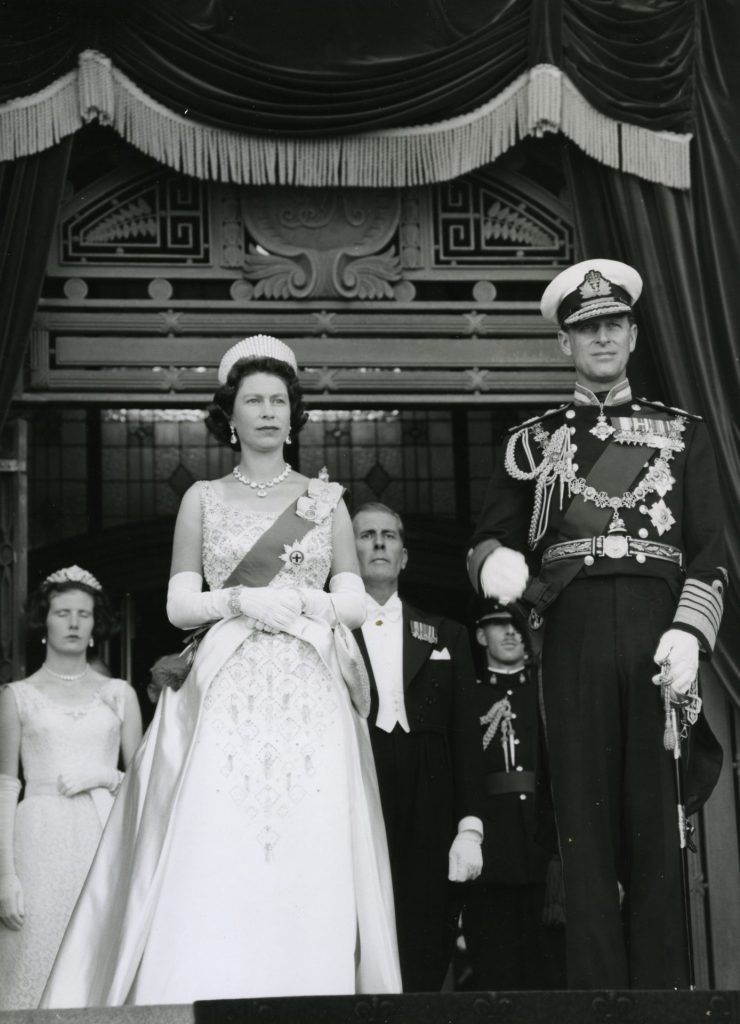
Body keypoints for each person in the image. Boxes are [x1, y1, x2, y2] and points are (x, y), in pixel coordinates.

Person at [41, 335, 401, 1007]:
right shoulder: (203, 498)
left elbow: (354, 602)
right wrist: (239, 598)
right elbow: (179, 604)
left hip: (307, 690)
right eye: (252, 401)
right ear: (228, 416)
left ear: (293, 416)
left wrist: (300, 600)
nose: (267, 412)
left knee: (308, 839)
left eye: (278, 401)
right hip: (227, 688)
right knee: (216, 836)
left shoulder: (325, 502)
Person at [467, 259, 725, 989]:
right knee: (582, 826)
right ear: (564, 345)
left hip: (655, 632)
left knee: (657, 829)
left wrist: (690, 632)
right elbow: (489, 536)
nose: (601, 337)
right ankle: (600, 1001)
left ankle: (665, 997)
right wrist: (496, 566)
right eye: (586, 328)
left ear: (634, 334)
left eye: (612, 324)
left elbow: (710, 551)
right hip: (572, 634)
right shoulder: (531, 442)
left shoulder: (683, 434)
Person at [351, 501, 485, 992]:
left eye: (389, 535)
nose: (379, 543)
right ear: (348, 551)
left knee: (427, 929)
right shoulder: (324, 634)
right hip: (358, 786)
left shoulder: (446, 633)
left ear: (405, 557)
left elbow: (468, 737)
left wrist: (470, 826)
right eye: (366, 535)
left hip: (431, 790)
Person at [0, 566, 142, 1010]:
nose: (75, 623)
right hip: (36, 840)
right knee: (31, 955)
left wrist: (104, 775)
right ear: (45, 621)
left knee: (96, 957)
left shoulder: (120, 694)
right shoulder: (17, 695)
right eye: (63, 613)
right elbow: (6, 784)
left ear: (96, 624)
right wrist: (5, 874)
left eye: (83, 614)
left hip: (102, 837)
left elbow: (144, 785)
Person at [459, 598, 565, 991]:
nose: (509, 632)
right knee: (495, 974)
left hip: (542, 851)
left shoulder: (548, 693)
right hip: (490, 855)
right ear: (480, 634)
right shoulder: (467, 696)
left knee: (549, 974)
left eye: (517, 625)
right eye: (498, 624)